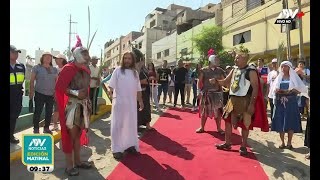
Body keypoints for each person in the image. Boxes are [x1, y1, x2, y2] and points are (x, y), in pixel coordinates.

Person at [214, 51, 269, 156]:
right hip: (232, 99)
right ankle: (227, 143)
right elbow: (225, 81)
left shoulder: (251, 70)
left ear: (244, 59)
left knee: (245, 124)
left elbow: (256, 87)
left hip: (245, 100)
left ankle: (243, 146)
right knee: (227, 120)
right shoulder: (234, 69)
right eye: (235, 58)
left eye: (238, 58)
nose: (235, 59)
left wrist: (252, 104)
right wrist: (216, 81)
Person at [55, 46, 93, 176]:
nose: (87, 56)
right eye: (84, 53)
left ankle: (78, 161)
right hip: (72, 106)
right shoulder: (68, 69)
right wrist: (76, 93)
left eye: (87, 53)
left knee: (77, 135)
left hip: (83, 106)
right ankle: (69, 166)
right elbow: (60, 87)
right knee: (70, 136)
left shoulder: (86, 70)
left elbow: (87, 89)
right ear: (77, 55)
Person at [108, 51, 144, 160]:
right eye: (125, 58)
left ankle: (129, 145)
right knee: (118, 126)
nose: (127, 60)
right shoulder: (117, 71)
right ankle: (117, 149)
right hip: (119, 103)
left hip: (131, 105)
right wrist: (111, 96)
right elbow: (111, 86)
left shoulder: (135, 73)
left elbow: (138, 89)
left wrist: (141, 101)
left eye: (129, 58)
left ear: (133, 60)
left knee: (130, 125)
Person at [270, 61, 308, 149]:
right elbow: (273, 89)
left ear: (289, 68)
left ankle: (289, 143)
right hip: (280, 102)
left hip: (291, 103)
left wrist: (292, 91)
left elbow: (300, 90)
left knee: (290, 121)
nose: (283, 68)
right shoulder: (278, 78)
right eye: (282, 66)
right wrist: (277, 91)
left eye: (285, 66)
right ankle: (282, 142)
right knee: (280, 121)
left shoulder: (294, 78)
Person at [29, 52, 58, 134]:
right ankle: (36, 128)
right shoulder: (36, 67)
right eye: (46, 56)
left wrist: (55, 93)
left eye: (50, 57)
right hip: (39, 93)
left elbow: (57, 82)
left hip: (50, 95)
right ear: (42, 58)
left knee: (49, 112)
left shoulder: (54, 69)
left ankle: (46, 128)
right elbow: (31, 81)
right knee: (38, 111)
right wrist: (31, 91)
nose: (48, 58)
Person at [196, 55, 225, 134]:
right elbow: (199, 81)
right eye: (216, 59)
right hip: (207, 93)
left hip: (217, 93)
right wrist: (199, 91)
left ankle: (219, 128)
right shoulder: (203, 70)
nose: (218, 61)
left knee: (218, 112)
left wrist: (217, 81)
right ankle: (202, 127)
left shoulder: (220, 70)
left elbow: (224, 81)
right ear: (211, 60)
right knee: (204, 111)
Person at [133, 48, 154, 131]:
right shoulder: (135, 68)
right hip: (138, 92)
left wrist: (148, 80)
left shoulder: (144, 68)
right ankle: (136, 125)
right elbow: (133, 81)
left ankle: (147, 124)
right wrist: (142, 81)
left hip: (146, 92)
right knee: (138, 108)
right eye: (142, 59)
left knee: (146, 108)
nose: (143, 61)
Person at [10, 45, 25, 144]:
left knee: (14, 116)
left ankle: (11, 135)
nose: (16, 54)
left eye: (17, 53)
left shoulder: (21, 66)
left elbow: (22, 80)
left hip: (17, 95)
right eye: (14, 52)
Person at [51, 54, 68, 131]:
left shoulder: (68, 68)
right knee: (56, 109)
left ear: (62, 60)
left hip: (67, 93)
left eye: (57, 58)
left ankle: (65, 125)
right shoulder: (54, 69)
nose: (55, 60)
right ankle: (55, 125)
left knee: (66, 110)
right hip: (58, 93)